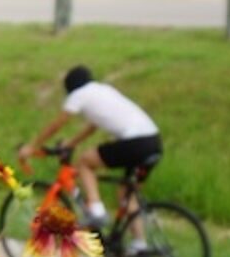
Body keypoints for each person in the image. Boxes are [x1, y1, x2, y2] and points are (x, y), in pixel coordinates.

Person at [18, 65, 162, 245]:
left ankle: (96, 211)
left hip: (134, 142)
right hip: (153, 142)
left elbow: (57, 124)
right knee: (127, 195)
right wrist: (70, 143)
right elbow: (92, 127)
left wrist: (32, 147)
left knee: (85, 162)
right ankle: (140, 244)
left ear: (69, 87)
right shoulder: (103, 90)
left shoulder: (78, 95)